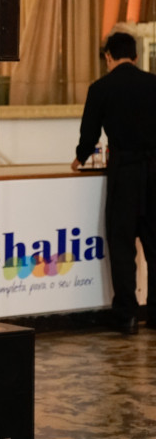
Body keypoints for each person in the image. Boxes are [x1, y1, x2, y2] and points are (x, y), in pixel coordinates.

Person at [71, 32, 156, 333]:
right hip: (154, 171)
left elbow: (89, 135)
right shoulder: (153, 84)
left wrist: (80, 158)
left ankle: (127, 316)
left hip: (124, 173)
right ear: (135, 55)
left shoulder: (101, 88)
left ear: (108, 56)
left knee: (122, 246)